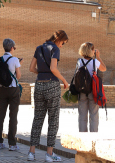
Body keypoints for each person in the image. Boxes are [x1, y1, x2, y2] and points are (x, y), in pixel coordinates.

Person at [28, 30, 69, 162]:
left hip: (39, 85)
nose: (62, 46)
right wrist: (64, 80)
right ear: (59, 39)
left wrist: (42, 73)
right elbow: (53, 68)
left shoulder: (39, 48)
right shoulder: (55, 49)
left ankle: (31, 152)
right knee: (53, 120)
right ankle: (49, 154)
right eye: (63, 43)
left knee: (37, 119)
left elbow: (31, 68)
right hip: (52, 86)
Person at [0, 38, 22, 151]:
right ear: (11, 48)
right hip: (13, 89)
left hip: (2, 89)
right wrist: (18, 65)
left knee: (1, 115)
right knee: (13, 116)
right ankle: (12, 143)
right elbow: (18, 77)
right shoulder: (15, 59)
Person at [77, 42, 106, 132]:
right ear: (91, 51)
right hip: (93, 90)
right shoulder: (95, 62)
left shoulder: (79, 61)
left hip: (81, 90)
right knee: (94, 114)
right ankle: (93, 136)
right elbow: (104, 68)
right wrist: (98, 56)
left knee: (82, 114)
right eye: (93, 50)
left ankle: (82, 135)